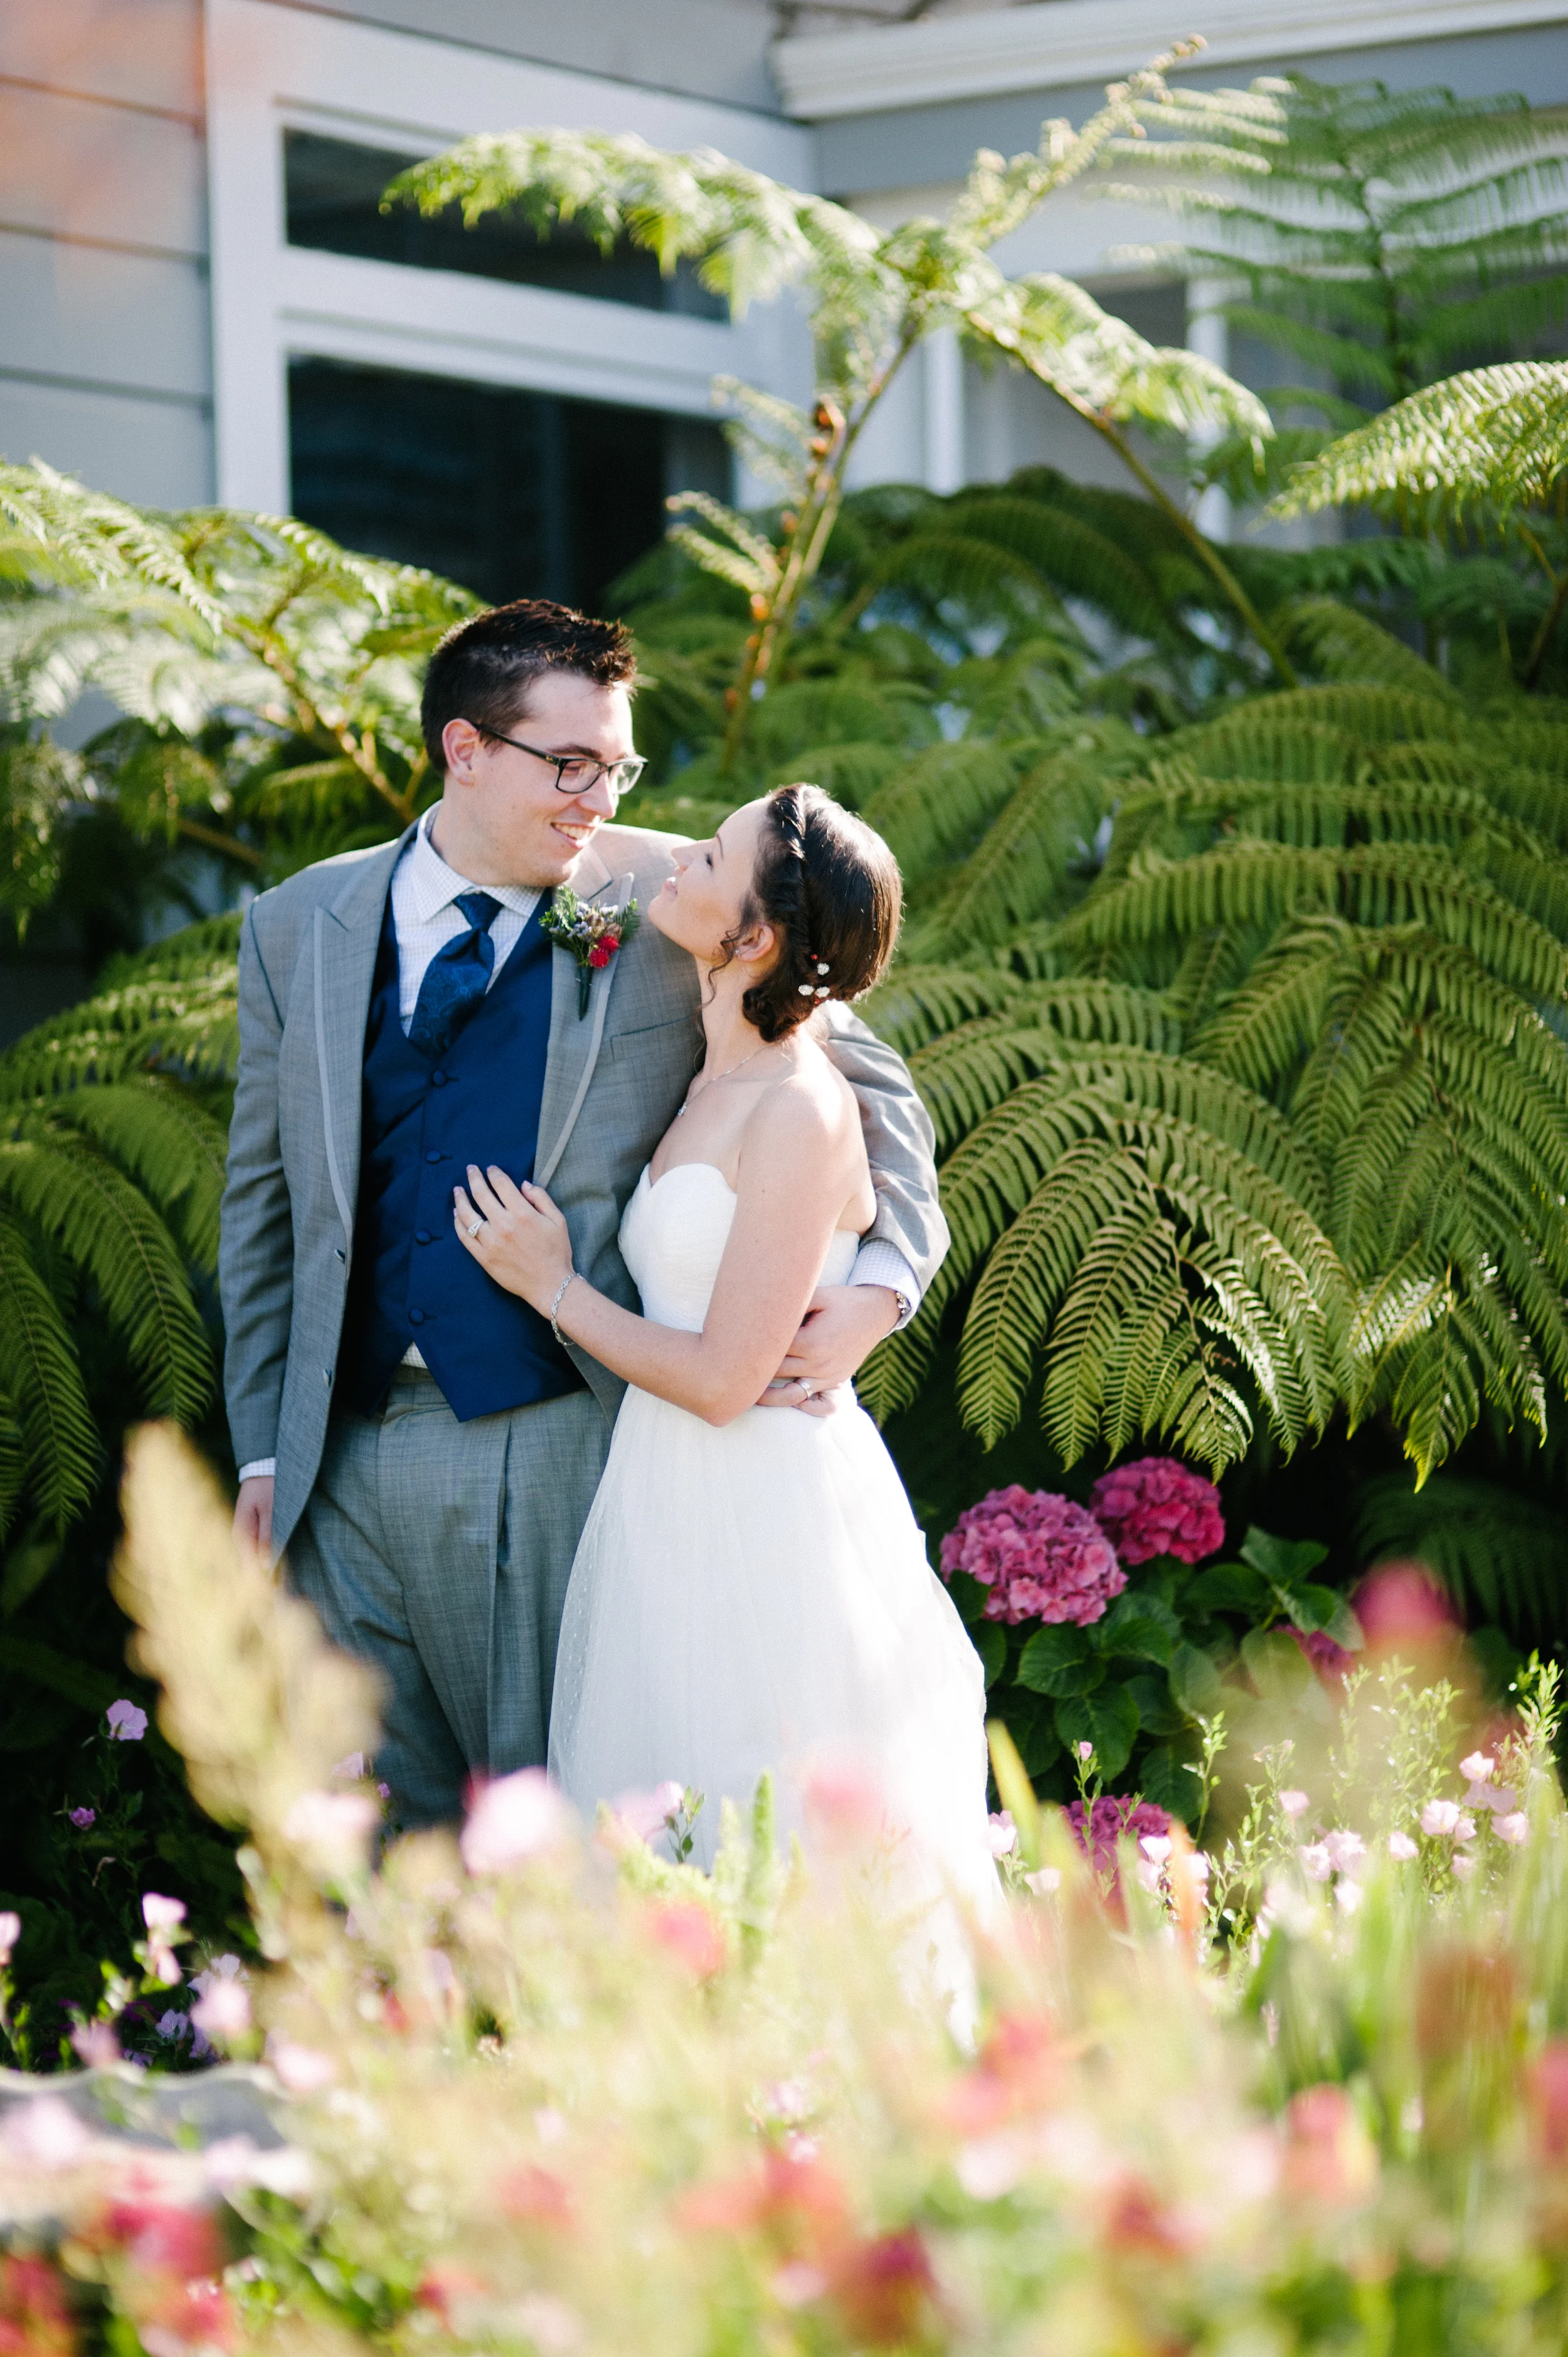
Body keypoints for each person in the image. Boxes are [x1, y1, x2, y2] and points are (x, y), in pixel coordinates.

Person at [219, 601, 947, 1829]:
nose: (597, 800)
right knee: (365, 1845)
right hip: (335, 1458)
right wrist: (262, 1443)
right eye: (569, 766)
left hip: (554, 1438)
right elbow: (263, 1210)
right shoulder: (298, 923)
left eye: (617, 766)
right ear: (465, 750)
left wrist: (881, 1284)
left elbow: (869, 1095)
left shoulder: (672, 893)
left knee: (559, 1830)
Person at [453, 784, 999, 1922]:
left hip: (765, 1516)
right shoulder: (717, 1064)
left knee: (775, 1842)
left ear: (755, 939)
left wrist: (550, 1284)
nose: (671, 863)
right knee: (666, 1839)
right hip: (664, 1504)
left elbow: (722, 1382)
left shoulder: (800, 1102)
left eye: (708, 857)